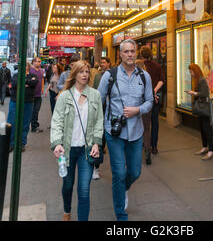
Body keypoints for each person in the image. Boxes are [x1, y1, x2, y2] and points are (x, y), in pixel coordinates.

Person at [99, 39, 153, 221]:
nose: (129, 54)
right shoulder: (109, 76)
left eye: (132, 51)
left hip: (136, 132)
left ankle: (124, 188)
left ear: (136, 53)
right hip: (114, 132)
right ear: (120, 54)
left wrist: (138, 110)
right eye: (126, 51)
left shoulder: (144, 76)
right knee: (119, 173)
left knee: (135, 172)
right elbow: (97, 101)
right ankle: (121, 215)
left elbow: (150, 102)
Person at [50, 60, 103, 221]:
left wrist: (96, 142)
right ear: (74, 74)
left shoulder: (95, 95)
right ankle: (67, 211)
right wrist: (57, 143)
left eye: (87, 72)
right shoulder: (65, 96)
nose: (85, 75)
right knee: (67, 185)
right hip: (67, 149)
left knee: (84, 190)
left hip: (86, 150)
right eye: (81, 72)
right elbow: (57, 121)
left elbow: (99, 121)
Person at [7, 62, 39, 152]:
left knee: (25, 123)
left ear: (28, 67)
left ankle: (22, 143)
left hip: (28, 102)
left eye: (24, 65)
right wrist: (27, 82)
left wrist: (23, 82)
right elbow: (14, 84)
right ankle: (11, 144)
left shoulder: (34, 75)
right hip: (15, 101)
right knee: (12, 122)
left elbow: (34, 83)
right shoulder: (15, 75)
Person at [139, 45, 164, 157]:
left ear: (141, 55)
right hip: (155, 98)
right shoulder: (157, 66)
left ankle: (145, 144)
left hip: (143, 99)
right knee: (155, 122)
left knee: (144, 123)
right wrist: (155, 90)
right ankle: (154, 146)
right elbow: (162, 80)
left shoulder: (140, 66)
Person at [187, 64, 213, 160]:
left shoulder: (202, 80)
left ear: (195, 71)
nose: (191, 74)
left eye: (191, 72)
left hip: (204, 108)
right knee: (203, 129)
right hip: (200, 108)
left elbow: (204, 93)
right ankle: (205, 147)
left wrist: (193, 93)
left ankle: (211, 150)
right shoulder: (197, 80)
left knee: (207, 129)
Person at [92, 57, 111, 180]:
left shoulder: (113, 75)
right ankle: (96, 167)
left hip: (112, 110)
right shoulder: (98, 76)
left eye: (104, 62)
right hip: (101, 108)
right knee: (101, 137)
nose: (102, 64)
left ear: (108, 64)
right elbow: (94, 90)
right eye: (101, 62)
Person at [136, 58, 151, 165]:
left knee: (135, 130)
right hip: (146, 107)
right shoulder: (147, 76)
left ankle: (134, 155)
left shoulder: (134, 77)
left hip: (136, 108)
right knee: (146, 130)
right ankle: (147, 153)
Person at [30, 57, 45, 133]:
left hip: (39, 94)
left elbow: (42, 79)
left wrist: (42, 88)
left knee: (36, 110)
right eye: (38, 61)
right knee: (33, 111)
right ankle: (34, 127)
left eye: (40, 61)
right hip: (31, 94)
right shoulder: (30, 70)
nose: (39, 63)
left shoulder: (41, 70)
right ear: (33, 62)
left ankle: (34, 125)